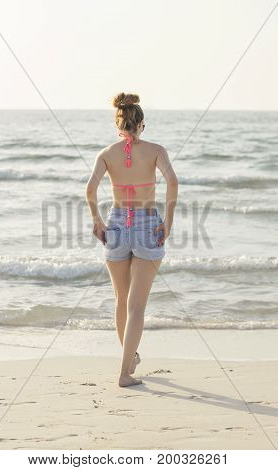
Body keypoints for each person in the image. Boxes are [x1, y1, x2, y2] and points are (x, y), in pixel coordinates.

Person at [86, 92, 178, 387]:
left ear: (119, 125)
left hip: (115, 225)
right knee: (137, 306)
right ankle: (125, 373)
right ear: (141, 125)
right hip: (147, 224)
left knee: (121, 301)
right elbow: (173, 182)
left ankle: (129, 360)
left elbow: (90, 190)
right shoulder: (155, 150)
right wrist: (169, 222)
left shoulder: (106, 153)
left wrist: (97, 221)